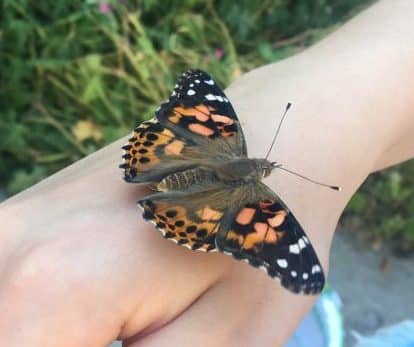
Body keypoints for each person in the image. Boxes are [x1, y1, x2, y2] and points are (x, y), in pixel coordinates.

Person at [0, 0, 413, 345]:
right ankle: (321, 326)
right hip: (200, 205)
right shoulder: (267, 209)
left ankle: (318, 322)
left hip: (179, 161)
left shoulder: (229, 141)